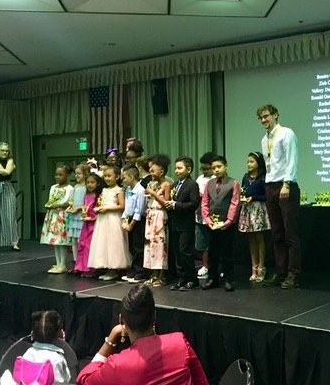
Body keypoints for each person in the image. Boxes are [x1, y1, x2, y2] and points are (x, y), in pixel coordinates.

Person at [76, 284, 207, 385]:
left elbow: (85, 379)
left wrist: (111, 338)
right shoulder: (179, 342)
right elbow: (201, 382)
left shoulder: (119, 364)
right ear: (154, 316)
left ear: (121, 320)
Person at [257, 104, 301, 290]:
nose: (264, 120)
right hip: (271, 187)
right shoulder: (264, 139)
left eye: (266, 116)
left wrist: (287, 183)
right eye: (261, 118)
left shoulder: (286, 133)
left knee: (290, 233)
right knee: (277, 234)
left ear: (275, 115)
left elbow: (291, 159)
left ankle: (293, 274)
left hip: (285, 186)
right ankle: (280, 271)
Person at [200, 155, 241, 292]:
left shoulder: (233, 183)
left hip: (226, 225)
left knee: (227, 252)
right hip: (212, 224)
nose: (216, 170)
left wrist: (228, 222)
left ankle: (228, 279)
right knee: (212, 252)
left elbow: (235, 203)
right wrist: (208, 220)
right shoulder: (209, 184)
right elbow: (205, 202)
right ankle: (212, 278)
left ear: (226, 166)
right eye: (213, 168)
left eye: (219, 167)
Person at [88, 166, 129, 281]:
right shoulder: (104, 190)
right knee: (104, 243)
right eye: (105, 176)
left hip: (113, 218)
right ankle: (107, 268)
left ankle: (113, 269)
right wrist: (100, 209)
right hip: (103, 219)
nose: (107, 178)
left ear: (117, 177)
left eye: (109, 176)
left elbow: (122, 206)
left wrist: (107, 209)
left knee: (113, 243)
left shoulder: (118, 190)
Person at [166, 157, 200, 291]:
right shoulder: (175, 185)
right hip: (175, 223)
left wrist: (176, 205)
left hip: (186, 224)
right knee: (177, 252)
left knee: (185, 251)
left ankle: (192, 279)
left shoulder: (192, 184)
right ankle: (182, 277)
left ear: (189, 169)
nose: (176, 171)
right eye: (176, 168)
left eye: (180, 168)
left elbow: (194, 204)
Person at [238, 152, 271, 282]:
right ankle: (254, 267)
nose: (249, 164)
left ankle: (261, 267)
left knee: (259, 237)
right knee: (251, 238)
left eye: (252, 162)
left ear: (259, 163)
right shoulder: (245, 178)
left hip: (258, 209)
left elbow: (266, 196)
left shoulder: (262, 178)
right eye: (248, 162)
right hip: (247, 209)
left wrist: (254, 198)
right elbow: (243, 191)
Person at [143, 155, 171, 287]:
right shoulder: (152, 184)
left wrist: (154, 194)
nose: (151, 173)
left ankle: (161, 275)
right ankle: (153, 273)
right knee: (150, 246)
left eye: (153, 170)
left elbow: (166, 203)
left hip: (160, 215)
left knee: (160, 245)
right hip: (151, 215)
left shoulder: (166, 184)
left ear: (162, 171)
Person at [21, 310, 71, 383]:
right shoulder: (57, 359)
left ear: (32, 334)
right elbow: (64, 380)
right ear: (60, 333)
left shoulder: (27, 353)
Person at [40, 166, 74, 274]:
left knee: (61, 241)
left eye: (61, 175)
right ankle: (58, 263)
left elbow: (69, 202)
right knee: (55, 240)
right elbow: (51, 199)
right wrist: (50, 205)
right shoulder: (53, 187)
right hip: (53, 215)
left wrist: (56, 205)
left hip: (62, 215)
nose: (57, 177)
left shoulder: (70, 189)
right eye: (56, 174)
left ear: (67, 175)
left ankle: (63, 264)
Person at [120, 165, 147, 283]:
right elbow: (127, 207)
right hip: (129, 219)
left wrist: (131, 224)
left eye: (124, 178)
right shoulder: (128, 190)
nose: (123, 180)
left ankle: (141, 272)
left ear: (131, 177)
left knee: (138, 247)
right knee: (131, 247)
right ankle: (134, 269)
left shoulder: (140, 190)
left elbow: (139, 210)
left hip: (138, 221)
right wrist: (124, 220)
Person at [73, 172, 103, 277]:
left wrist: (94, 217)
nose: (89, 185)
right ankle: (82, 267)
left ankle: (92, 268)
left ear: (98, 183)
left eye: (92, 182)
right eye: (88, 182)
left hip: (94, 223)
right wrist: (83, 212)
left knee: (91, 246)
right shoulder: (86, 195)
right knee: (83, 245)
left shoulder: (99, 196)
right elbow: (85, 207)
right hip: (86, 223)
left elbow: (99, 210)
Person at [194, 152, 216, 280]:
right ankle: (205, 266)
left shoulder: (216, 179)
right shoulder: (199, 179)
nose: (205, 171)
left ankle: (215, 267)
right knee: (202, 244)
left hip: (213, 216)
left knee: (213, 243)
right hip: (199, 215)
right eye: (203, 168)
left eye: (207, 168)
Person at [67, 164, 90, 272]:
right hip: (74, 216)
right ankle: (76, 262)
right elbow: (72, 201)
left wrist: (79, 208)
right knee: (74, 240)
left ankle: (83, 263)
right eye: (75, 173)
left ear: (85, 174)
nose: (77, 175)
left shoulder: (87, 187)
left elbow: (88, 202)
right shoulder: (75, 187)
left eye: (79, 173)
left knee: (82, 240)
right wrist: (70, 207)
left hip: (81, 215)